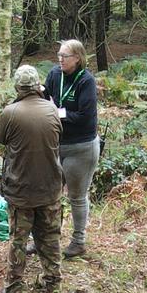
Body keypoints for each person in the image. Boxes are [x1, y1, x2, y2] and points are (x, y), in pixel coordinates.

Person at [0, 64, 63, 293]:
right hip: (50, 186)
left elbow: (0, 138)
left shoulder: (10, 112)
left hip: (21, 188)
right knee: (50, 235)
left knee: (19, 239)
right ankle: (53, 281)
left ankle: (14, 286)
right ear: (37, 86)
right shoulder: (52, 109)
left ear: (18, 87)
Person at [43, 39, 100, 259]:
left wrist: (59, 113)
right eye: (58, 54)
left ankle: (78, 241)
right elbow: (45, 95)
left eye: (64, 55)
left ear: (77, 58)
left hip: (81, 147)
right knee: (50, 195)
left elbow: (86, 118)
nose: (60, 59)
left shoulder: (86, 81)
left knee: (76, 196)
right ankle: (48, 239)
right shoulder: (54, 74)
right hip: (56, 144)